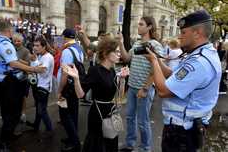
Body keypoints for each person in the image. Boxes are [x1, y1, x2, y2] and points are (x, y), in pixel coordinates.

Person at [145, 10, 221, 152]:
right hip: (184, 129)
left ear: (197, 33)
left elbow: (163, 91)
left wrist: (154, 62)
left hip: (182, 133)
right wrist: (157, 60)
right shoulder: (200, 54)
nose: (179, 36)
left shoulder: (199, 62)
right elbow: (174, 77)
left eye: (183, 32)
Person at [0, 20, 46, 151]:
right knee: (12, 113)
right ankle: (2, 144)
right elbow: (12, 63)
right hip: (7, 81)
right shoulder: (5, 43)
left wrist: (26, 63)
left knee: (7, 110)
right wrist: (34, 70)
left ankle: (9, 135)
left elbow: (9, 59)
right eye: (12, 30)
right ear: (9, 31)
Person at [62, 39, 129, 152]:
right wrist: (76, 78)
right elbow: (80, 95)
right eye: (116, 52)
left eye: (119, 52)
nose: (119, 54)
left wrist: (122, 79)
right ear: (106, 53)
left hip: (111, 111)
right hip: (97, 114)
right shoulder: (95, 70)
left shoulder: (112, 70)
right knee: (97, 144)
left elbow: (119, 97)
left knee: (111, 140)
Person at [119, 16, 164, 152]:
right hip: (132, 87)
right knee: (130, 117)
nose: (138, 26)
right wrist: (121, 43)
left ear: (149, 27)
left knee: (143, 121)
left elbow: (156, 69)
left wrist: (145, 88)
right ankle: (130, 143)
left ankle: (145, 148)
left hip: (144, 89)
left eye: (141, 24)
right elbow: (127, 58)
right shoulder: (137, 44)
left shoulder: (155, 45)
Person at [58, 28, 84, 152]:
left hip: (67, 87)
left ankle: (75, 143)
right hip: (74, 85)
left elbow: (65, 73)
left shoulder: (67, 51)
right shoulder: (79, 48)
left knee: (64, 115)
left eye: (63, 37)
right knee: (73, 113)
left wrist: (59, 90)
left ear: (65, 37)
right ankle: (72, 138)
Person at [26, 36, 54, 136]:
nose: (35, 47)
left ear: (44, 47)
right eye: (34, 45)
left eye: (37, 46)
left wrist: (29, 66)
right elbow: (36, 67)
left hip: (44, 86)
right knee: (39, 108)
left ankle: (50, 129)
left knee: (42, 110)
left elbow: (42, 70)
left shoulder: (47, 57)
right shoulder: (40, 56)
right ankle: (36, 125)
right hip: (38, 85)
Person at [12, 33, 31, 123]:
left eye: (18, 41)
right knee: (14, 96)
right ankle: (15, 113)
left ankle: (23, 113)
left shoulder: (26, 51)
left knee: (22, 97)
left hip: (22, 77)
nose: (16, 42)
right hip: (12, 77)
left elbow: (28, 64)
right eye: (15, 41)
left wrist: (17, 60)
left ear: (22, 41)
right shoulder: (11, 49)